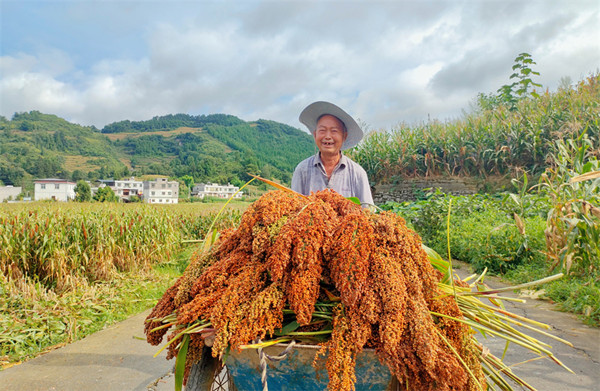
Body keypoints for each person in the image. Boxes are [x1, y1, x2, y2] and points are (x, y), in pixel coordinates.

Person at [291, 101, 374, 207]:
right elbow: (294, 209)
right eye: (322, 130)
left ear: (344, 136)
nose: (328, 136)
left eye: (334, 131)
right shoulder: (302, 170)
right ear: (315, 134)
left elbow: (367, 211)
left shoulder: (357, 173)